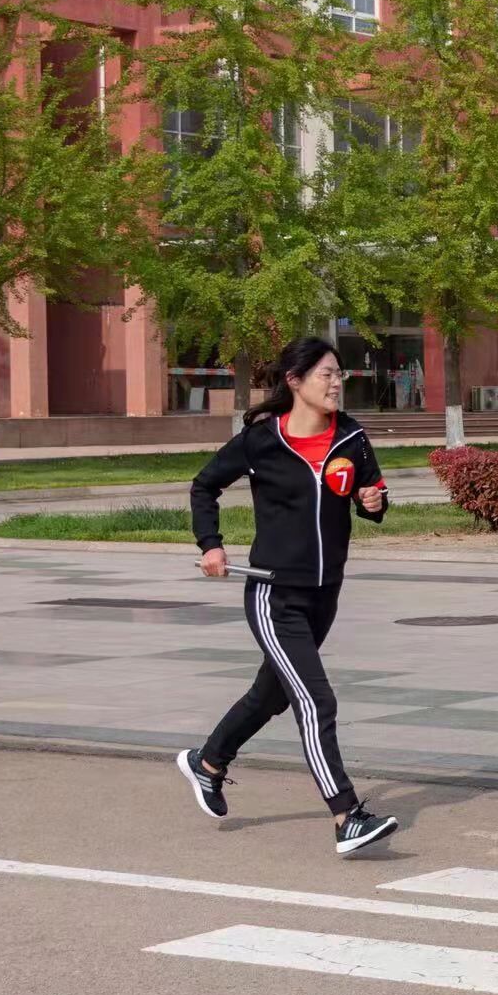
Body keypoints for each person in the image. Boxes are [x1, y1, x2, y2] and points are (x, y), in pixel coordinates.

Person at [177, 337, 399, 857]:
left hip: (325, 593)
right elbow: (204, 487)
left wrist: (373, 501)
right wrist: (211, 545)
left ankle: (208, 762)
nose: (337, 383)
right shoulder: (262, 440)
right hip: (273, 594)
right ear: (295, 382)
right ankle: (346, 815)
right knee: (315, 699)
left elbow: (372, 497)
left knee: (271, 694)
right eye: (326, 374)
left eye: (339, 374)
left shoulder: (352, 437)